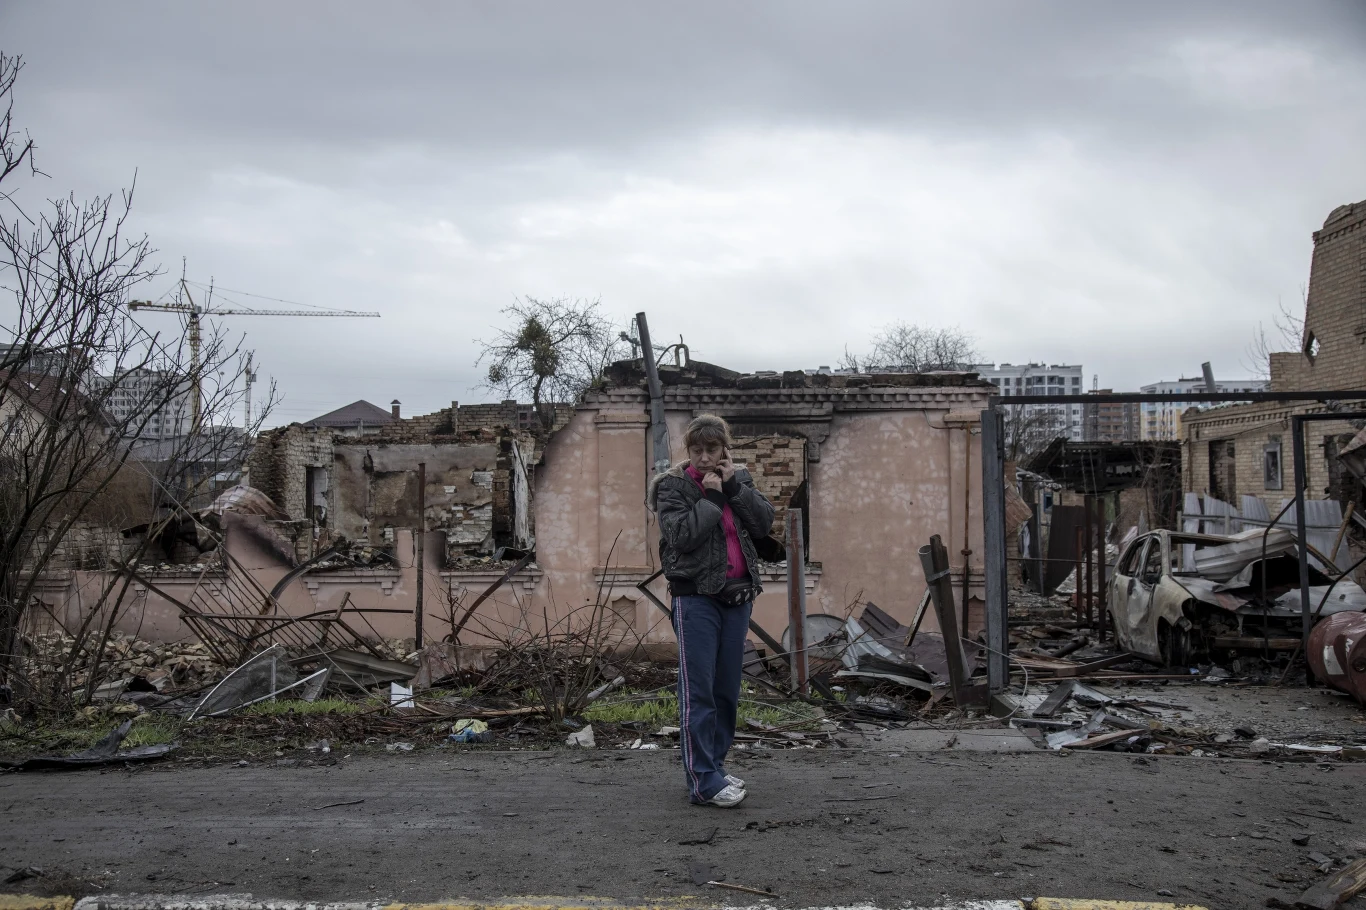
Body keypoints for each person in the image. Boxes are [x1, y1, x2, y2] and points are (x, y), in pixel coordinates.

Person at [647, 414, 776, 807]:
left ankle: (715, 768)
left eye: (712, 449)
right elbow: (681, 537)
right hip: (696, 600)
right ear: (688, 451)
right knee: (698, 692)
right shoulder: (673, 486)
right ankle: (703, 781)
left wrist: (734, 487)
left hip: (737, 598)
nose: (704, 457)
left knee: (726, 691)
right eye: (697, 450)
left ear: (725, 449)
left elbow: (764, 521)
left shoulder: (741, 478)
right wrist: (713, 498)